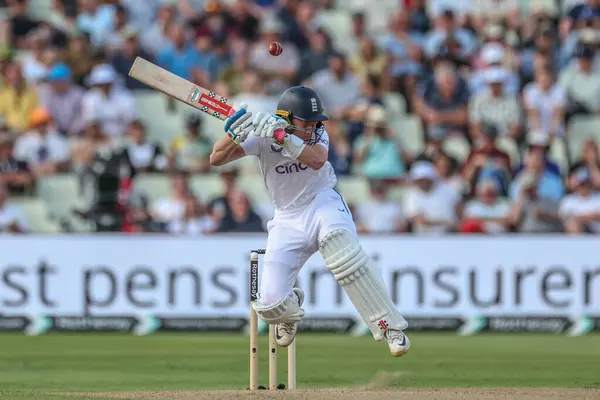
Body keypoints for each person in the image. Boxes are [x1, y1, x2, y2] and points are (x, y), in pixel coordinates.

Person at [209, 86, 410, 357]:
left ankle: (390, 328)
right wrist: (235, 133)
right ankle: (290, 307)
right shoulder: (261, 136)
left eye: (317, 121)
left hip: (321, 202)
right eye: (308, 121)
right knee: (268, 306)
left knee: (344, 255)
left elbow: (316, 160)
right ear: (288, 117)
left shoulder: (318, 133)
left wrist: (282, 136)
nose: (314, 126)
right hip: (286, 219)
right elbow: (216, 158)